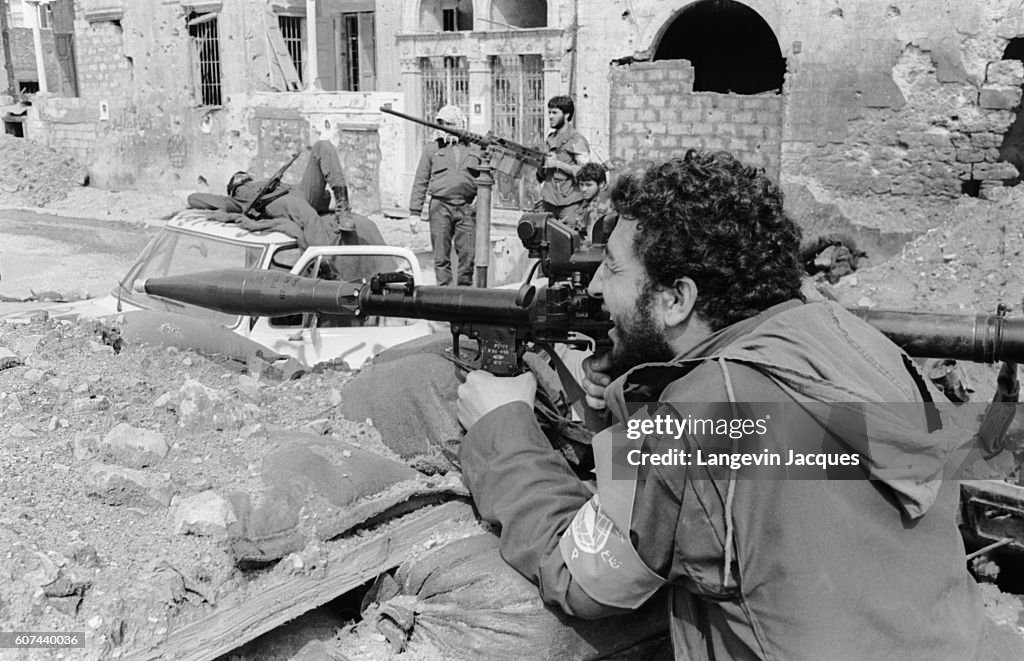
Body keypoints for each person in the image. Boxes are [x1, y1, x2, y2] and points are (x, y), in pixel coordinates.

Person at [455, 150, 1023, 660]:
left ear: (677, 299)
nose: (598, 287)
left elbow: (583, 580)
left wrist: (502, 427)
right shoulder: (861, 345)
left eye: (614, 268)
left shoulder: (695, 419)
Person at [187, 139, 358, 250]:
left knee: (323, 146)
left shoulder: (266, 181)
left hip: (297, 191)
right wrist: (226, 204)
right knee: (303, 211)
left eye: (243, 174)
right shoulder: (237, 198)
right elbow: (194, 199)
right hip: (278, 202)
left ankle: (344, 210)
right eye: (237, 177)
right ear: (233, 186)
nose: (242, 175)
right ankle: (324, 260)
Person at [409, 105, 480, 287]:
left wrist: (482, 198)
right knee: (441, 256)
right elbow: (421, 180)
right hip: (440, 207)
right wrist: (414, 213)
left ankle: (464, 295)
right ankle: (444, 295)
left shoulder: (475, 149)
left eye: (448, 124)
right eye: (441, 124)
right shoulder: (432, 149)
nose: (444, 128)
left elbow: (486, 177)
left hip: (466, 208)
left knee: (468, 255)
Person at [536, 95, 590, 222]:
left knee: (569, 237)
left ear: (566, 115)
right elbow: (541, 176)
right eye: (549, 112)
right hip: (549, 200)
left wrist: (558, 164)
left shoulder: (577, 140)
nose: (550, 116)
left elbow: (585, 173)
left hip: (570, 203)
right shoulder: (550, 139)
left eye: (555, 112)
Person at [569, 162, 616, 244]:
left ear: (601, 184)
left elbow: (593, 240)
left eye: (588, 185)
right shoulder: (597, 198)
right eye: (581, 184)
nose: (584, 189)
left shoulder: (598, 207)